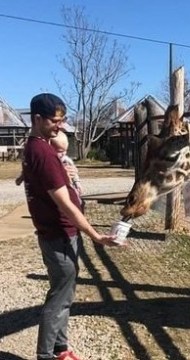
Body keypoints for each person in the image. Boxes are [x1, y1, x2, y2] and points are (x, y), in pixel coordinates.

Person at [20, 93, 119, 360]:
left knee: (64, 292)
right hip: (60, 235)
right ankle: (46, 355)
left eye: (62, 121)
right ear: (37, 119)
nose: (60, 126)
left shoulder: (36, 147)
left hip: (58, 234)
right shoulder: (43, 152)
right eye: (54, 121)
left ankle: (60, 349)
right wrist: (95, 235)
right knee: (60, 297)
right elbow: (66, 204)